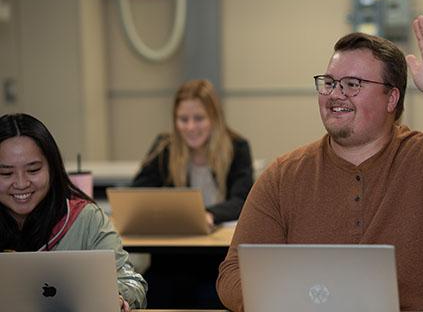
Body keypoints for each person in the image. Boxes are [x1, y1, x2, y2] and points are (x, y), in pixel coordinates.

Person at [217, 15, 423, 311]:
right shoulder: (284, 176)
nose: (335, 94)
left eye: (352, 84)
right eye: (329, 82)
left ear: (391, 99)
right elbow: (233, 274)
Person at [0, 113, 147, 312]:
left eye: (33, 170)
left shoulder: (87, 219)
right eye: (5, 173)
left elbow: (132, 283)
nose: (21, 183)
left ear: (53, 168)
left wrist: (117, 295)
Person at [132, 78, 254, 308]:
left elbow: (243, 199)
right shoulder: (165, 147)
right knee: (152, 291)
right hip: (171, 258)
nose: (190, 127)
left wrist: (207, 215)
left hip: (217, 260)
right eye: (183, 119)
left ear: (214, 118)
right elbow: (137, 193)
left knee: (210, 296)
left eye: (199, 118)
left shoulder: (237, 148)